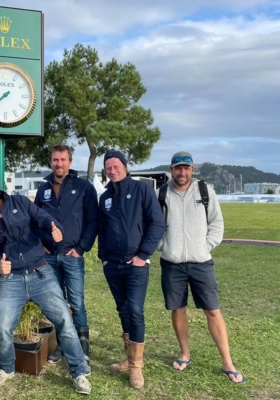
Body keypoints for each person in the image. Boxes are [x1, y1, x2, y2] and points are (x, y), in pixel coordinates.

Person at [0, 173, 92, 395]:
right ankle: (6, 367)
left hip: (41, 273)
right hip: (10, 279)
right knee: (4, 326)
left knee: (65, 321)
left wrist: (54, 227)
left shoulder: (18, 201)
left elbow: (43, 218)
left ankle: (79, 371)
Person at [157, 151, 246, 383]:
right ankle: (184, 354)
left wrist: (205, 247)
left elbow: (217, 223)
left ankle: (228, 362)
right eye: (178, 168)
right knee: (178, 309)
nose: (182, 172)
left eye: (186, 168)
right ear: (171, 170)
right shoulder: (162, 193)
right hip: (172, 263)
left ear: (192, 170)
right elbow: (153, 225)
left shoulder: (205, 191)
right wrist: (163, 246)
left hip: (201, 263)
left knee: (213, 310)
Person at [98, 149, 165, 390]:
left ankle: (136, 367)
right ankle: (128, 358)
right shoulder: (104, 196)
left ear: (125, 167)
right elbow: (103, 229)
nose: (112, 171)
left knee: (135, 310)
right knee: (123, 309)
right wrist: (103, 257)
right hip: (112, 265)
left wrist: (143, 255)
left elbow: (157, 224)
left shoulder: (142, 190)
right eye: (108, 168)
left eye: (116, 166)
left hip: (136, 265)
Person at [34, 144, 98, 366]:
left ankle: (82, 348)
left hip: (72, 255)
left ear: (70, 162)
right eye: (55, 160)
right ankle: (62, 344)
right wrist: (41, 244)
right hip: (49, 257)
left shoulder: (84, 188)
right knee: (58, 303)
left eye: (62, 160)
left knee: (77, 303)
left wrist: (81, 249)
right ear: (50, 162)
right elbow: (35, 218)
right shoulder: (43, 189)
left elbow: (93, 221)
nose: (58, 164)